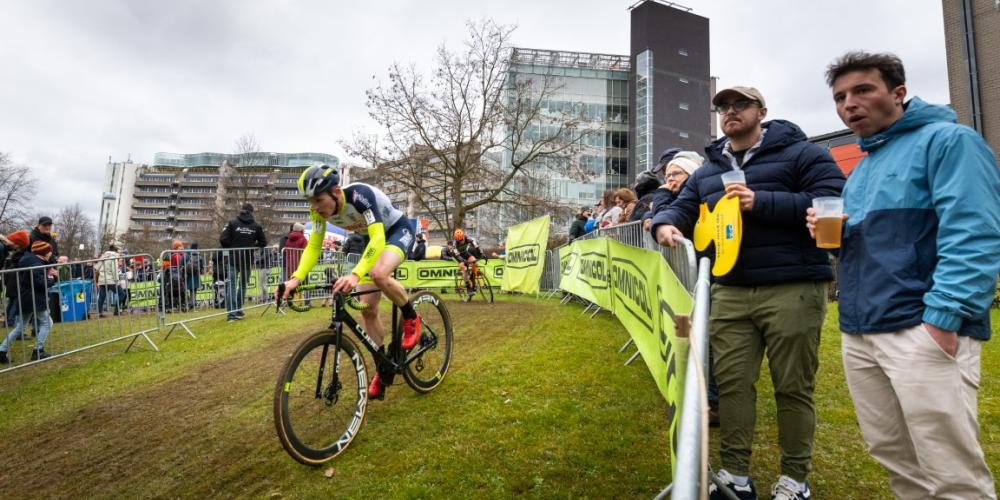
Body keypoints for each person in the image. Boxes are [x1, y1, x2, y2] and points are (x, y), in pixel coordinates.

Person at [809, 51, 999, 498]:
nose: (849, 104)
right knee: (895, 457)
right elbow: (883, 240)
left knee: (951, 470)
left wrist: (944, 318)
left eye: (862, 90)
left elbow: (974, 233)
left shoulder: (950, 141)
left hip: (922, 326)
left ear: (898, 92)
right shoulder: (865, 164)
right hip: (861, 329)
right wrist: (835, 234)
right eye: (839, 97)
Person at [652, 86, 845, 500]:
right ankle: (735, 475)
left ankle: (795, 480)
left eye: (740, 104)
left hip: (792, 286)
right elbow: (681, 206)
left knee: (792, 387)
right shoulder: (708, 169)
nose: (730, 112)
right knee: (734, 386)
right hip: (732, 290)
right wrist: (663, 224)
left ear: (762, 111)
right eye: (723, 106)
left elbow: (833, 198)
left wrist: (762, 202)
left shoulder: (801, 153)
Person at [278, 165, 420, 399]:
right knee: (369, 310)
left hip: (396, 231)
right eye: (310, 202)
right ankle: (382, 366)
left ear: (336, 192)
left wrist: (354, 275)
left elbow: (378, 238)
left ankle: (411, 316)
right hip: (370, 240)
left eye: (318, 200)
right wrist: (295, 279)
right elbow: (314, 247)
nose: (314, 207)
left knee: (379, 274)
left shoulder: (359, 196)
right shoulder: (318, 211)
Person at [0, 241, 56, 363]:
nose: (51, 253)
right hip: (34, 299)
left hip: (27, 298)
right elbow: (41, 283)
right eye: (49, 250)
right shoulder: (35, 264)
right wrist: (52, 278)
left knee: (20, 327)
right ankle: (38, 350)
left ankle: (2, 350)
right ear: (43, 253)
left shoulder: (30, 261)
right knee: (47, 323)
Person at [220, 203, 267, 321]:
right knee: (242, 285)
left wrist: (233, 247)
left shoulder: (232, 223)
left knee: (231, 285)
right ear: (252, 212)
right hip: (247, 259)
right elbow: (263, 242)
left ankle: (231, 314)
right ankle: (238, 310)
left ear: (242, 211)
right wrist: (252, 246)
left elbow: (223, 239)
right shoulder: (256, 226)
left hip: (233, 259)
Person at [1, 230, 30, 327]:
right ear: (16, 244)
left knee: (12, 303)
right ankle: (11, 320)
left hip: (11, 285)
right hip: (14, 285)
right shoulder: (3, 250)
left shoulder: (9, 254)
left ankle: (8, 320)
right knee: (15, 303)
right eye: (19, 245)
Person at [448, 229, 484, 296]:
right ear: (456, 240)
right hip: (458, 256)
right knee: (464, 268)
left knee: (474, 262)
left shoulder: (468, 238)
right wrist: (462, 260)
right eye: (459, 241)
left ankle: (472, 279)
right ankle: (468, 287)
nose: (461, 241)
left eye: (462, 239)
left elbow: (477, 246)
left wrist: (481, 253)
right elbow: (457, 255)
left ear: (463, 236)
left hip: (465, 253)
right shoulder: (454, 244)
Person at [96, 243, 122, 317]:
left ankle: (99, 313)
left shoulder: (103, 256)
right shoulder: (114, 257)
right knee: (122, 294)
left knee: (101, 297)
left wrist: (98, 281)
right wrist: (116, 280)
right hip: (110, 280)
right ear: (115, 251)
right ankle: (117, 311)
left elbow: (97, 267)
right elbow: (114, 270)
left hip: (102, 280)